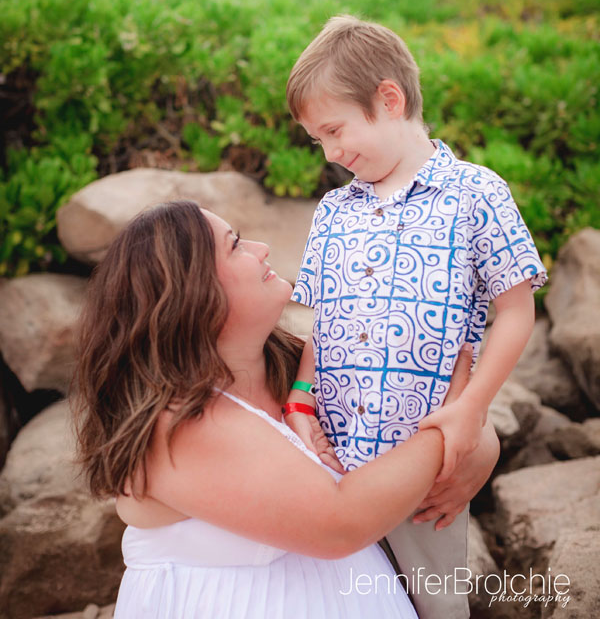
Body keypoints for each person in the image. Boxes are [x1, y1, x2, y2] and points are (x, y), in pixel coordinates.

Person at [73, 200, 498, 619]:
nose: (261, 248)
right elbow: (341, 523)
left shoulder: (303, 369)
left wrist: (479, 447)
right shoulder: (177, 425)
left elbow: (456, 421)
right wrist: (447, 433)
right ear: (191, 291)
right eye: (235, 245)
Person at [285, 14, 547, 619]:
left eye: (334, 130)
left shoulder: (476, 193)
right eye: (316, 140)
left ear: (389, 98)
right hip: (334, 461)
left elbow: (514, 311)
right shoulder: (333, 212)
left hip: (426, 459)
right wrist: (300, 399)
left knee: (433, 603)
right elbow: (320, 323)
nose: (329, 152)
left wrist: (473, 408)